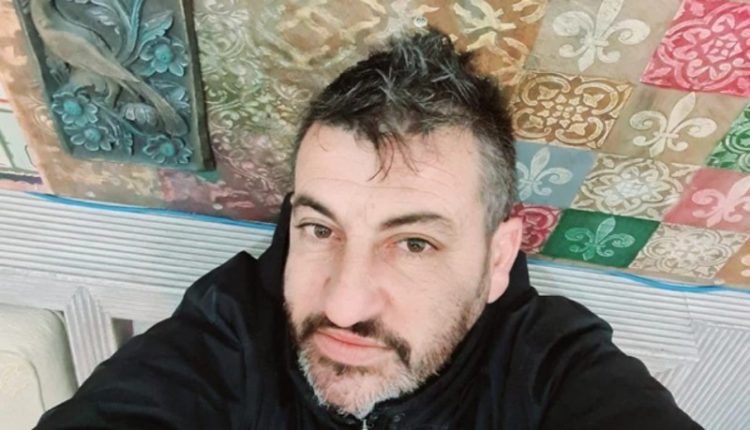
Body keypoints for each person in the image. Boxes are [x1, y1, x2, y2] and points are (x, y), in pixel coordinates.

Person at [36, 29, 701, 429]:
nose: (343, 305)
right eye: (320, 229)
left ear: (498, 258)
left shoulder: (552, 369)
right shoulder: (230, 328)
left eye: (414, 243)